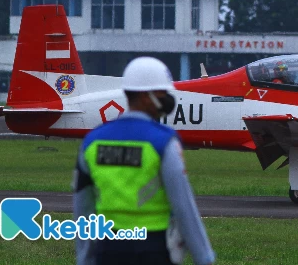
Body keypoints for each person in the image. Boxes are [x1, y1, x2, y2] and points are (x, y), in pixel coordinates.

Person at [73, 56, 215, 265]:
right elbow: (183, 206)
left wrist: (85, 258)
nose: (167, 99)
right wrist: (204, 258)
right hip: (153, 247)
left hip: (108, 247)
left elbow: (83, 209)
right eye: (162, 93)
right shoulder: (163, 141)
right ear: (146, 96)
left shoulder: (92, 142)